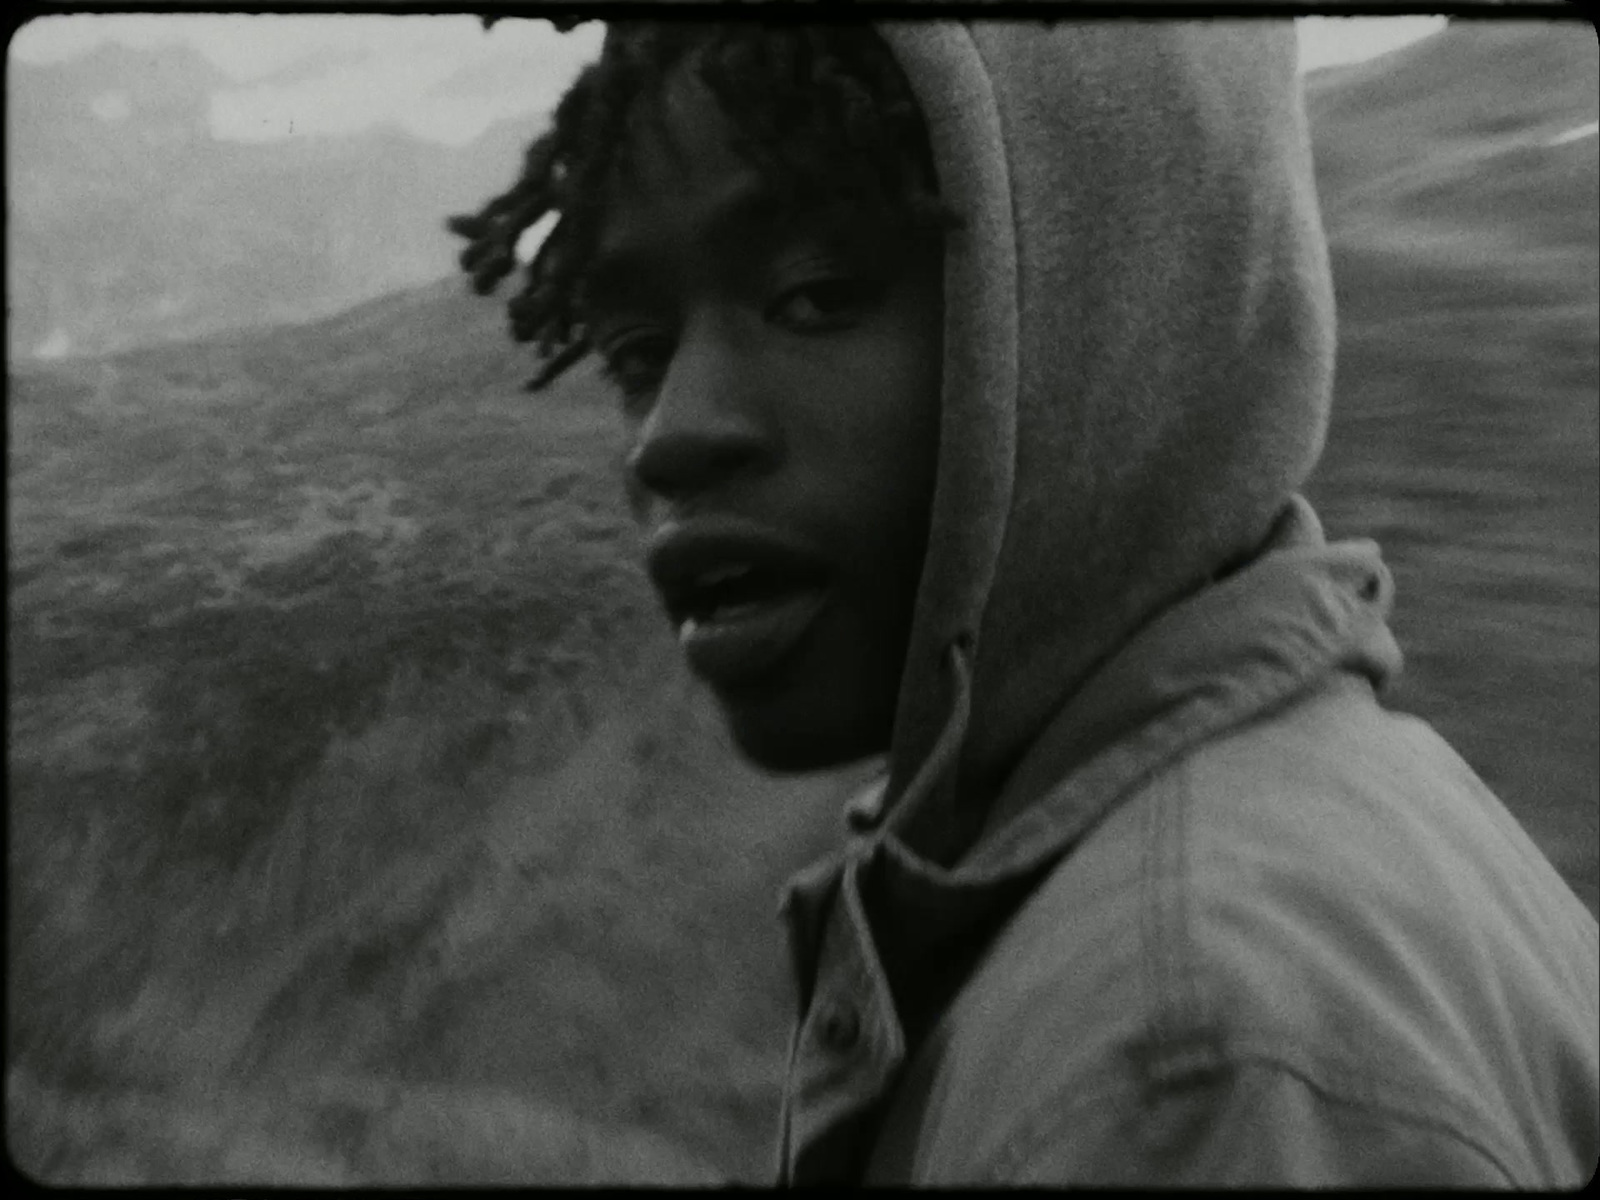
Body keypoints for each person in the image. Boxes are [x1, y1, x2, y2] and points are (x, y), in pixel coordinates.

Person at [450, 15, 1599, 1187]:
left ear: (1111, 319)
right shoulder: (1317, 812)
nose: (671, 437)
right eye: (636, 350)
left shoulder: (1177, 1060)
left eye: (814, 295)